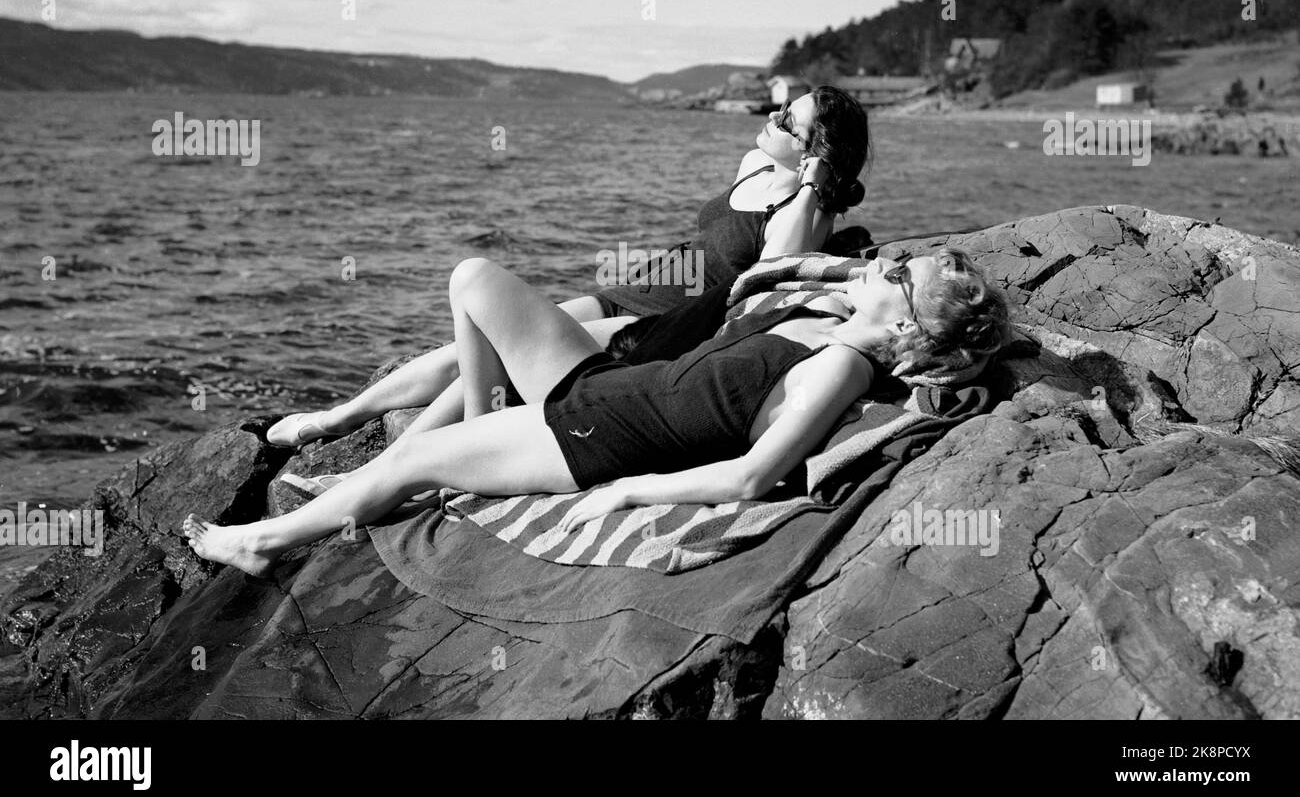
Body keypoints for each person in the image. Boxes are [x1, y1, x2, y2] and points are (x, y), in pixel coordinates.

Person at [184, 248, 1009, 577]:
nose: (885, 262)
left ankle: (257, 543)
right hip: (598, 387)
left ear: (903, 324)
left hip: (598, 434)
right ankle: (471, 437)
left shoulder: (838, 365)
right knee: (473, 277)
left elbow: (759, 473)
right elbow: (813, 262)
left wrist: (633, 494)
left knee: (406, 461)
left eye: (901, 269)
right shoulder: (833, 320)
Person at [265, 86, 871, 449]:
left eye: (790, 121)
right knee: (472, 342)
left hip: (669, 323)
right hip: (631, 292)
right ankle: (338, 418)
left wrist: (814, 181)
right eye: (779, 108)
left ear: (815, 151)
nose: (773, 118)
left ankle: (409, 462)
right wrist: (797, 144)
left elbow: (778, 263)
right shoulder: (755, 165)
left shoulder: (805, 211)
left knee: (499, 350)